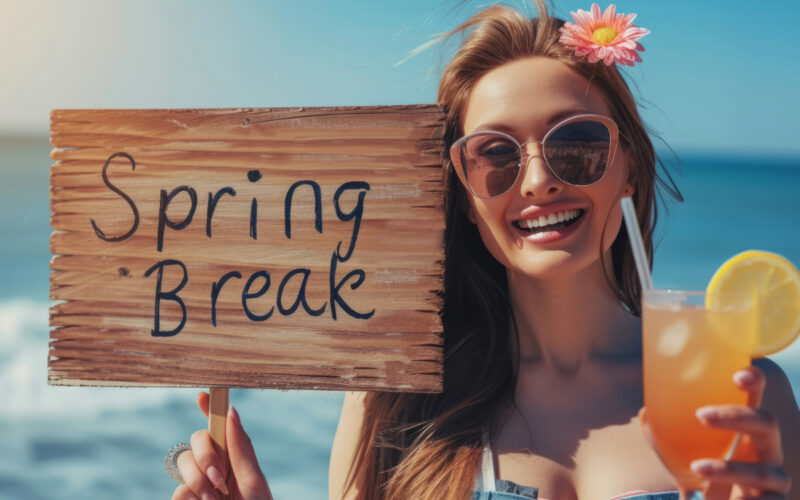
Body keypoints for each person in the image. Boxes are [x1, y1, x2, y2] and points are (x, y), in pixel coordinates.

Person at [167, 3, 800, 499]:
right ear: (465, 192)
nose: (537, 180)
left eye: (576, 144)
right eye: (495, 154)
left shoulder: (744, 395)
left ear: (628, 168)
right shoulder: (396, 403)